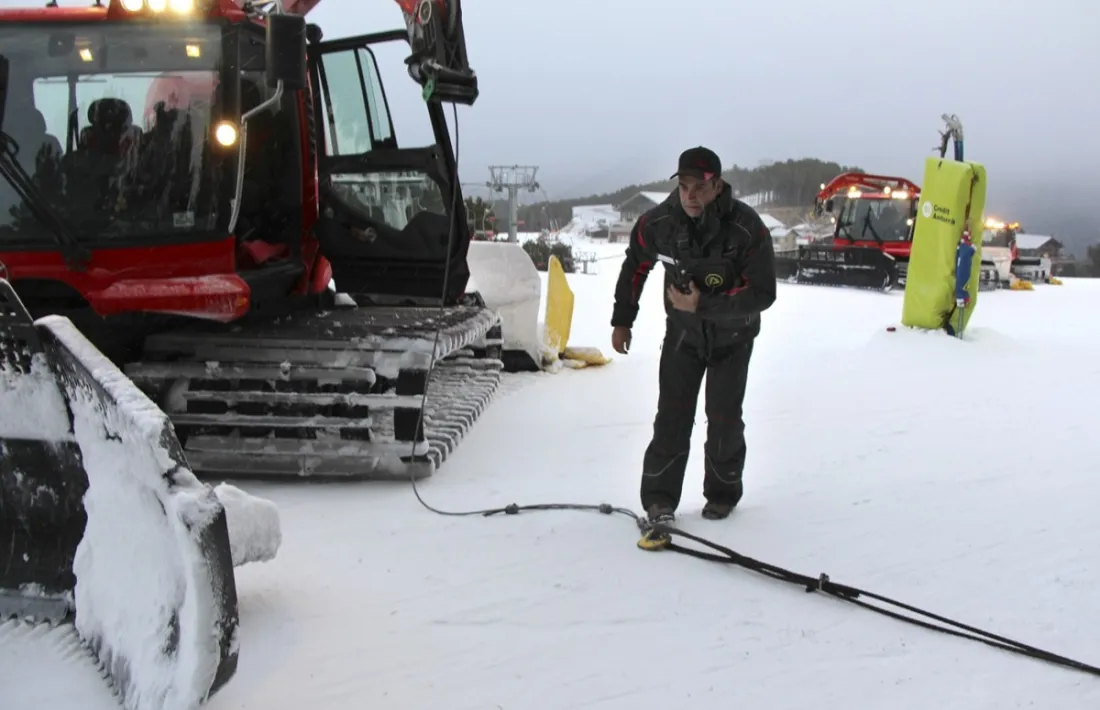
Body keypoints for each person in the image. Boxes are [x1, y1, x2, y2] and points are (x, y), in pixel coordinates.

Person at [610, 146, 777, 525]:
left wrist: (703, 304)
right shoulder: (660, 223)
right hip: (683, 338)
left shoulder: (747, 228)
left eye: (699, 187)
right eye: (684, 186)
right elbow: (635, 265)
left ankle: (721, 494)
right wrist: (623, 319)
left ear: (716, 185)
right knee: (671, 416)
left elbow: (762, 292)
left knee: (723, 418)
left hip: (733, 339)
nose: (690, 195)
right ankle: (658, 499)